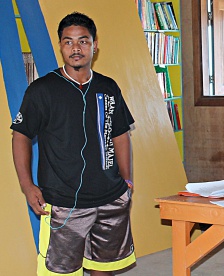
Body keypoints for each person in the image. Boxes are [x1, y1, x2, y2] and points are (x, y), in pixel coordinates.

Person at [11, 12, 136, 275]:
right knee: (60, 271)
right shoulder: (42, 90)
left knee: (105, 267)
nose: (76, 48)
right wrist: (27, 185)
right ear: (60, 46)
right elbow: (20, 135)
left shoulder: (108, 87)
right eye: (68, 42)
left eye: (83, 41)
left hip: (110, 199)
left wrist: (126, 183)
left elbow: (120, 134)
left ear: (94, 44)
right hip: (63, 202)